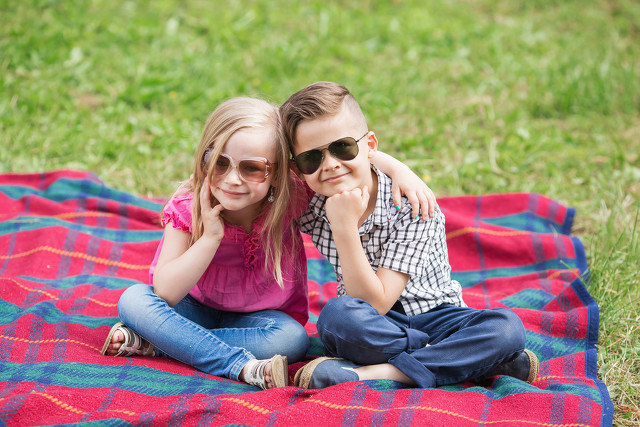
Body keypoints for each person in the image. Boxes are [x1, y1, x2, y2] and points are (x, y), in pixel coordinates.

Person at [101, 96, 437, 390]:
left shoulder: (289, 197)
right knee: (134, 300)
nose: (232, 179)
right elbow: (165, 292)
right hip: (190, 309)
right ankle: (241, 367)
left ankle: (160, 341)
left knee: (293, 340)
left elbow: (341, 157)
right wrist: (211, 237)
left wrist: (401, 170)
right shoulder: (190, 206)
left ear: (278, 173)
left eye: (251, 168)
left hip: (262, 322)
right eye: (218, 162)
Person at [280, 81, 539, 390]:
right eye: (312, 158)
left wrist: (344, 227)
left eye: (342, 147)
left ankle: (377, 373)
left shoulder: (412, 204)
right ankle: (472, 362)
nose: (331, 164)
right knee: (335, 318)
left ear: (370, 146)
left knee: (507, 330)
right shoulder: (310, 203)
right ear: (298, 169)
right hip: (371, 325)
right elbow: (263, 175)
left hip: (438, 317)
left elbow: (378, 299)